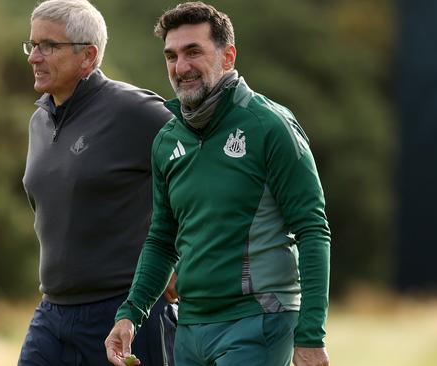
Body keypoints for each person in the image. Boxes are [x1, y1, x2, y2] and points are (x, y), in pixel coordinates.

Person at [105, 2, 331, 366]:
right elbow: (163, 240)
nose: (181, 67)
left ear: (228, 57)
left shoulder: (269, 126)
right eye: (172, 56)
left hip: (259, 320)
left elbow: (312, 229)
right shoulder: (166, 140)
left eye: (193, 52)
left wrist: (311, 335)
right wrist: (130, 313)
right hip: (190, 329)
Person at [18, 0, 177, 365]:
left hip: (126, 311)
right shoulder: (38, 122)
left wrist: (177, 258)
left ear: (88, 56)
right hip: (53, 311)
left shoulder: (134, 111)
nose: (34, 57)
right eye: (32, 44)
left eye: (48, 46)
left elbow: (199, 174)